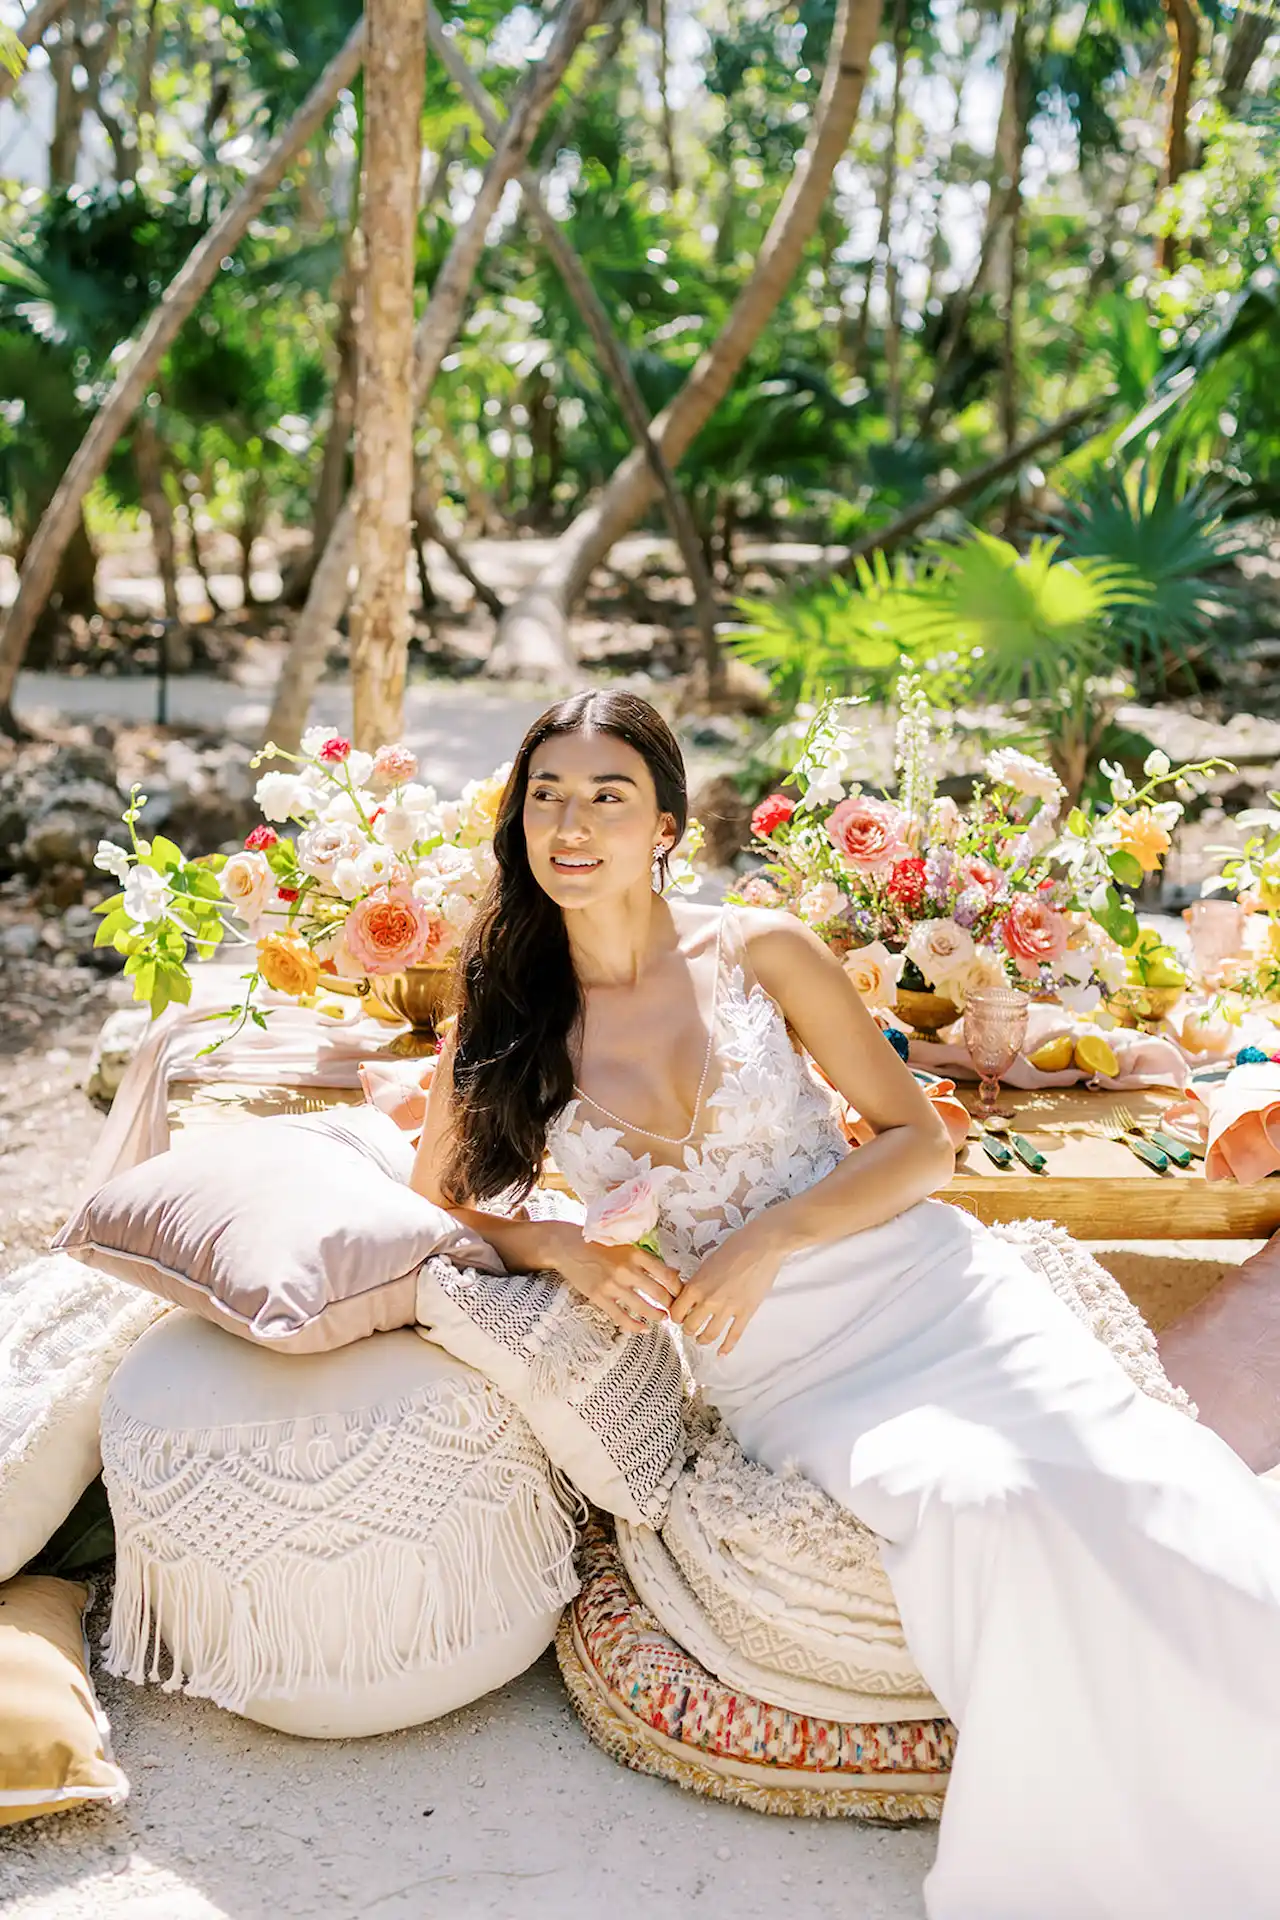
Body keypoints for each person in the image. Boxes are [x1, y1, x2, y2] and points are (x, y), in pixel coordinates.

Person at [411, 689, 1280, 1920]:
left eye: (608, 796)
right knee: (985, 1501)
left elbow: (918, 1143)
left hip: (925, 1290)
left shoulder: (759, 947)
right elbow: (439, 1199)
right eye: (546, 794)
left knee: (1142, 1474)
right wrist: (554, 1244)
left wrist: (772, 1232)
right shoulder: (498, 1003)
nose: (571, 823)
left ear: (663, 825)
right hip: (780, 1369)